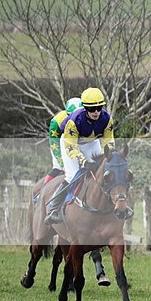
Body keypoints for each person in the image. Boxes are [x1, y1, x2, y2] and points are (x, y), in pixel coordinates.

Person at [45, 87, 116, 225]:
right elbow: (71, 147)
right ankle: (53, 208)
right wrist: (83, 162)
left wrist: (110, 157)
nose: (96, 112)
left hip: (91, 142)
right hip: (70, 143)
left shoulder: (107, 119)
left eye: (99, 108)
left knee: (103, 170)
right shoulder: (74, 121)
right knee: (72, 176)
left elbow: (108, 141)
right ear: (85, 108)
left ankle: (115, 203)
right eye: (92, 109)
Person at [45, 97, 82, 184]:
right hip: (60, 145)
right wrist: (62, 164)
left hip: (79, 143)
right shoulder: (56, 123)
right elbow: (55, 145)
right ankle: (43, 188)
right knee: (58, 167)